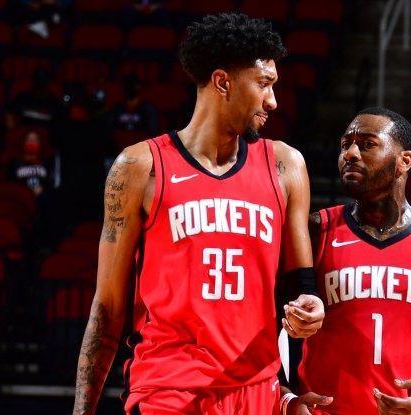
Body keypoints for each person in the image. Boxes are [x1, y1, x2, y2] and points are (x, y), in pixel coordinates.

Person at [72, 13, 325, 415]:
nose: (273, 101)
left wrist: (309, 310)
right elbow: (107, 308)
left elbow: (301, 286)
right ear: (223, 82)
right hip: (167, 391)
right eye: (263, 84)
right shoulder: (141, 166)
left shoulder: (285, 166)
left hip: (255, 391)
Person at [281, 108, 411, 415]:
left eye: (367, 144)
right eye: (345, 145)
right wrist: (286, 397)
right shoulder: (315, 231)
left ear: (404, 161)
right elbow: (262, 324)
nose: (350, 154)